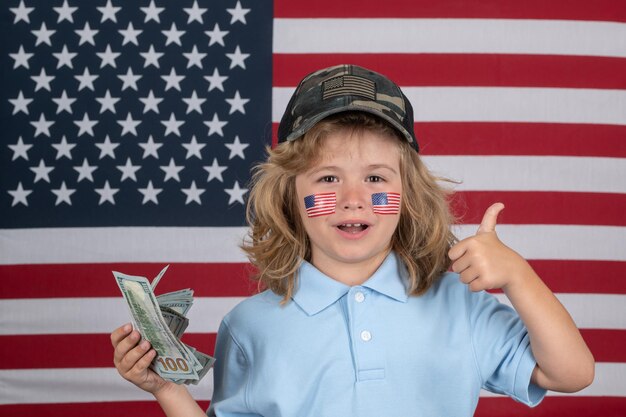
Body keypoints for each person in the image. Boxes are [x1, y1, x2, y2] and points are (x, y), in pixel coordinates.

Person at [111, 64, 594, 416]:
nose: (353, 198)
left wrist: (517, 277)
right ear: (289, 196)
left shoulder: (459, 305)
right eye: (326, 179)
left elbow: (571, 374)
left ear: (408, 195)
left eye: (376, 178)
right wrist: (168, 390)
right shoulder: (248, 327)